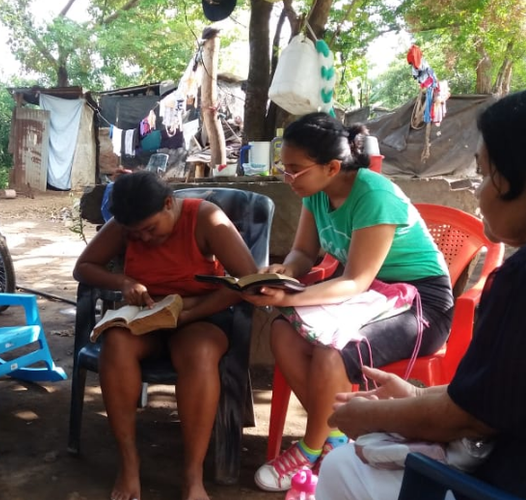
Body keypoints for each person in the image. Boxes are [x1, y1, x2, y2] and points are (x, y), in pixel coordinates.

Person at [316, 89, 526, 500]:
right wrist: (414, 395)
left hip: (499, 481)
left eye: (485, 174)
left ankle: (312, 448)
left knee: (343, 465)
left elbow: (470, 419)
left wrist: (375, 415)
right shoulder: (317, 200)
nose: (479, 192)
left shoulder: (518, 281)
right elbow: (498, 393)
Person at [241, 112, 454, 492]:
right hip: (370, 298)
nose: (287, 178)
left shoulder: (373, 195)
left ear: (332, 166)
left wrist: (297, 295)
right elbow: (304, 253)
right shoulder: (315, 192)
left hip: (420, 303)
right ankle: (336, 440)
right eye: (283, 168)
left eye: (294, 169)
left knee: (331, 351)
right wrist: (284, 274)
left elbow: (356, 280)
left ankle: (310, 447)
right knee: (282, 330)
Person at [73, 171, 258, 500]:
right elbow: (84, 266)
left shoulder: (206, 218)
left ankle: (192, 475)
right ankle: (129, 464)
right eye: (134, 234)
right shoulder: (126, 224)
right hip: (146, 316)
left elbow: (248, 281)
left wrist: (188, 312)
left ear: (169, 204)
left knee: (199, 355)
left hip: (200, 316)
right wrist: (124, 282)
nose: (142, 238)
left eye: (149, 229)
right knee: (115, 343)